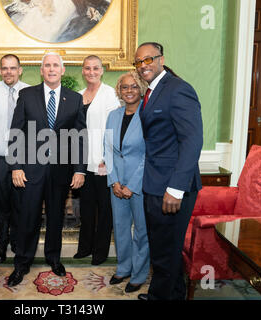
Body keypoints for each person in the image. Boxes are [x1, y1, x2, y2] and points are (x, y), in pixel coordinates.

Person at [7, 52, 87, 287]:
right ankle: (22, 263)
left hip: (61, 172)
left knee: (55, 218)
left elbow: (80, 137)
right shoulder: (27, 95)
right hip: (30, 170)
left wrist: (80, 170)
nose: (51, 69)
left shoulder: (74, 99)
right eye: (47, 65)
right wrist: (15, 166)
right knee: (28, 218)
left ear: (62, 70)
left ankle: (54, 258)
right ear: (41, 71)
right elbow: (16, 133)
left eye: (56, 65)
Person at [134, 42, 203, 300]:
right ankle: (171, 294)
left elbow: (192, 141)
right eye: (138, 62)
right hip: (154, 183)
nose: (143, 66)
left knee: (166, 249)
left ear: (161, 59)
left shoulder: (178, 89)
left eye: (148, 59)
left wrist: (175, 189)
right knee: (163, 248)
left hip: (171, 187)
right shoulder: (152, 92)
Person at [0, 54, 30, 263]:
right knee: (0, 206)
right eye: (4, 68)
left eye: (13, 68)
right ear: (0, 71)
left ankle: (18, 244)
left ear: (20, 70)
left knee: (21, 205)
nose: (8, 72)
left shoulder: (30, 93)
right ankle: (0, 245)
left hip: (23, 159)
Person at [104, 71, 150, 293]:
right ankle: (123, 268)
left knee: (141, 231)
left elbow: (148, 154)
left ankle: (139, 273)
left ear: (141, 89)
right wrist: (114, 181)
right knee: (121, 228)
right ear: (119, 91)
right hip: (117, 183)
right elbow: (109, 150)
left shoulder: (148, 114)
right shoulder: (113, 115)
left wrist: (131, 185)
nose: (129, 91)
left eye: (133, 86)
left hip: (139, 184)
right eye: (124, 87)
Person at [73, 55, 120, 265]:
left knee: (104, 209)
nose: (91, 72)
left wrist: (105, 158)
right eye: (87, 68)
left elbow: (112, 129)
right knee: (86, 208)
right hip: (84, 164)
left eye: (95, 68)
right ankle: (85, 248)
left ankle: (100, 252)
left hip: (103, 163)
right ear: (82, 71)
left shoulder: (110, 95)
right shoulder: (78, 95)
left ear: (102, 71)